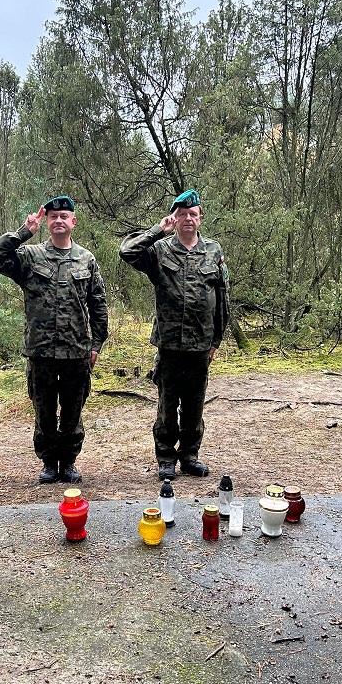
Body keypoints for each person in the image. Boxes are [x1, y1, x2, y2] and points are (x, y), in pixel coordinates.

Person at [0, 195, 109, 485]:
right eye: (53, 217)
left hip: (76, 351)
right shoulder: (30, 257)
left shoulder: (86, 259)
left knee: (72, 409)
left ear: (73, 222)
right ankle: (49, 463)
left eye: (64, 216)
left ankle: (68, 462)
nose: (58, 221)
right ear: (47, 222)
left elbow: (98, 304)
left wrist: (96, 344)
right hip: (40, 350)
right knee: (43, 408)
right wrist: (24, 231)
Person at [119, 189, 229, 480]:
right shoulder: (160, 251)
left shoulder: (213, 251)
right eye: (182, 214)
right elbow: (127, 252)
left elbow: (222, 298)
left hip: (200, 344)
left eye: (193, 214)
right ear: (174, 218)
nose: (188, 219)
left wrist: (216, 339)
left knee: (194, 405)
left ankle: (190, 456)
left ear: (200, 218)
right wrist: (157, 230)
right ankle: (166, 458)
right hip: (169, 343)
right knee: (167, 405)